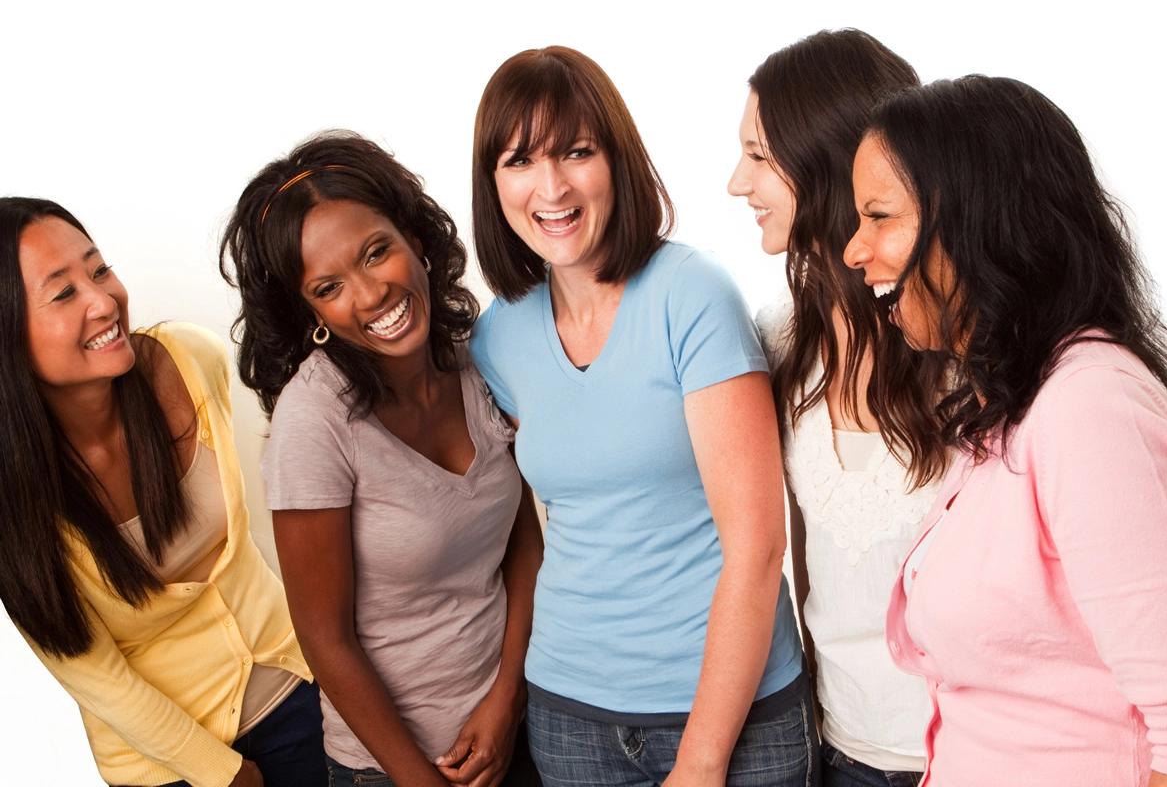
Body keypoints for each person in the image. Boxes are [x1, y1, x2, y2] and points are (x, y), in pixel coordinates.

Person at [469, 46, 814, 787]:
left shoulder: (693, 296)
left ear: (616, 162)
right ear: (492, 182)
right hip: (569, 716)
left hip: (732, 714)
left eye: (577, 152)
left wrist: (702, 759)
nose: (552, 186)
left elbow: (757, 548)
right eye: (519, 160)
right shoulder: (498, 335)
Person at [843, 75, 1167, 786]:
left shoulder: (1091, 410)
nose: (856, 251)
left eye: (880, 217)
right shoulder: (1013, 407)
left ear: (977, 222)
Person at [219, 131, 543, 787]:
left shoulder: (474, 361)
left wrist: (506, 701)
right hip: (389, 769)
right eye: (330, 286)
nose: (370, 296)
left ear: (415, 240)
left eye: (377, 252)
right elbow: (324, 640)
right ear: (309, 310)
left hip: (513, 729)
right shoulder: (314, 422)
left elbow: (524, 544)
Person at [0, 197, 326, 787]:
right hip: (165, 766)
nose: (103, 301)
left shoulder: (187, 359)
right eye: (63, 293)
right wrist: (223, 774)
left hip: (301, 690)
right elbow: (98, 680)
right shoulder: (12, 499)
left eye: (98, 270)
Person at [727, 29, 949, 787]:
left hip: (972, 756)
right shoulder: (778, 338)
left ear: (823, 160)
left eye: (759, 155)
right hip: (837, 750)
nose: (736, 182)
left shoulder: (967, 350)